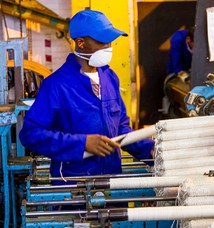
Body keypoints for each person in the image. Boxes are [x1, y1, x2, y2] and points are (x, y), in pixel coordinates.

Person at [19, 9, 155, 178]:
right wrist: (82, 144)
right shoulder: (57, 85)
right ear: (81, 43)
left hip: (111, 182)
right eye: (102, 42)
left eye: (110, 42)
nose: (108, 47)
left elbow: (121, 128)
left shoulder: (110, 77)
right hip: (73, 186)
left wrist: (149, 149)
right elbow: (30, 135)